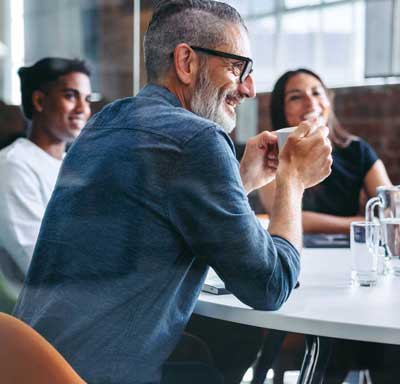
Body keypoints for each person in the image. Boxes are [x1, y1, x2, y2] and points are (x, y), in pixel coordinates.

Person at [13, 2, 332, 384]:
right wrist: (291, 181)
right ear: (186, 62)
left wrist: (240, 180)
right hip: (94, 376)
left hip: (29, 363)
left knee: (217, 349)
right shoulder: (199, 139)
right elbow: (270, 286)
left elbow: (153, 217)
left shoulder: (105, 122)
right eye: (237, 67)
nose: (248, 88)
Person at [0, 57, 92, 302]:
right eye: (71, 96)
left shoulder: (70, 166)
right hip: (38, 318)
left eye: (87, 98)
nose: (83, 109)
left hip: (75, 301)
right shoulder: (13, 165)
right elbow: (39, 264)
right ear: (39, 100)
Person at [259, 68, 392, 234]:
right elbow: (286, 218)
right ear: (281, 110)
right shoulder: (271, 155)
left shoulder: (357, 150)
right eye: (296, 97)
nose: (310, 102)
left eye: (316, 93)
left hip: (350, 251)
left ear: (329, 101)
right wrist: (359, 223)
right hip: (294, 249)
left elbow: (389, 205)